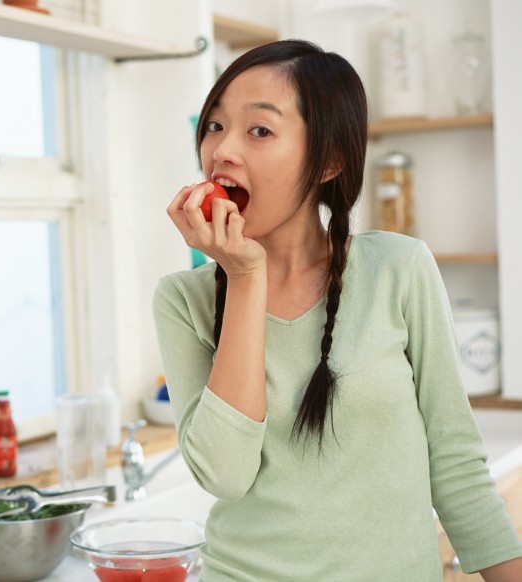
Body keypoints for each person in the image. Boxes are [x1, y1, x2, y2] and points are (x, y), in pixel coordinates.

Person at [153, 39, 522, 581]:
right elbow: (225, 475)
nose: (222, 150)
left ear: (329, 161)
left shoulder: (400, 269)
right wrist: (245, 277)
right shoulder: (182, 300)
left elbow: (456, 468)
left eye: (259, 130)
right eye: (214, 125)